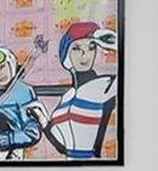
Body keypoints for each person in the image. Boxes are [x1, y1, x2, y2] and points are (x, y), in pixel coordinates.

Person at [41, 22, 120, 159]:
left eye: (91, 47)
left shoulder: (103, 85)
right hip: (67, 167)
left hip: (92, 166)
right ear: (67, 54)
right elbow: (63, 144)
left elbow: (132, 77)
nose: (85, 54)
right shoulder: (67, 95)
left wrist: (115, 42)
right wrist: (43, 120)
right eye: (77, 48)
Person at [0, 45, 45, 158]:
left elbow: (32, 133)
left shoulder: (23, 91)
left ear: (11, 63)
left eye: (2, 67)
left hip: (13, 156)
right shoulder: (4, 97)